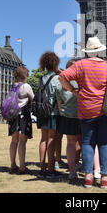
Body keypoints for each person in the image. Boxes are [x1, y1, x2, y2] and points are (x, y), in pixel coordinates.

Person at [59, 37, 107, 189]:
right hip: (105, 109)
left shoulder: (80, 65)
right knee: (105, 142)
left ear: (87, 51)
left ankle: (88, 177)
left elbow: (62, 77)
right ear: (99, 50)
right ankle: (105, 178)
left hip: (86, 109)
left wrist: (73, 90)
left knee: (87, 142)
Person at [36, 51, 63, 179]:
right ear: (55, 63)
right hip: (53, 112)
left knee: (43, 139)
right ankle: (51, 169)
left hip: (42, 112)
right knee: (51, 139)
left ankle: (42, 169)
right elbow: (59, 97)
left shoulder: (41, 78)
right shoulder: (57, 79)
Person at [57, 59, 82, 182]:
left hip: (68, 116)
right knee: (82, 142)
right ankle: (79, 165)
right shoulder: (81, 81)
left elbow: (59, 103)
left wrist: (63, 113)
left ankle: (72, 170)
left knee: (70, 143)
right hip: (82, 115)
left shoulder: (61, 83)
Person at [8, 66, 34, 175]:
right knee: (22, 141)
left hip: (13, 114)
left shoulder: (12, 86)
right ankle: (22, 167)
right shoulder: (26, 86)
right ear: (25, 75)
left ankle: (13, 164)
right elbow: (33, 98)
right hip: (23, 113)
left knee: (14, 141)